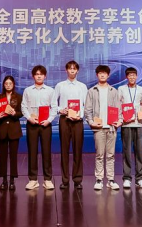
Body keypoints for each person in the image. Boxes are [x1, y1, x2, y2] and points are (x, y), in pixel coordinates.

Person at [85, 65, 121, 191]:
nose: (102, 75)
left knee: (111, 155)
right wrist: (91, 122)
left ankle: (110, 179)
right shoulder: (92, 91)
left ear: (108, 75)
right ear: (97, 75)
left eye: (104, 73)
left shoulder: (113, 91)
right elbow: (87, 110)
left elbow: (119, 109)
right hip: (99, 128)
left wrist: (119, 121)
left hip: (111, 127)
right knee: (99, 155)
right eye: (100, 73)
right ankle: (99, 179)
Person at [21, 64, 57, 190]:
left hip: (46, 125)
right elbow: (23, 107)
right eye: (37, 74)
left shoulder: (50, 91)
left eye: (41, 74)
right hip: (32, 124)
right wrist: (29, 118)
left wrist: (48, 120)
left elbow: (54, 107)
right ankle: (33, 179)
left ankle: (47, 179)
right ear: (33, 76)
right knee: (32, 152)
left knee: (46, 152)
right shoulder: (27, 90)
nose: (39, 76)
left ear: (45, 76)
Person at [54, 60, 88, 190]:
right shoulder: (60, 85)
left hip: (78, 121)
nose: (72, 70)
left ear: (77, 71)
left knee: (77, 150)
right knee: (64, 150)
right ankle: (65, 180)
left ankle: (77, 179)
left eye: (74, 68)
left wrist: (81, 115)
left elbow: (86, 104)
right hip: (64, 120)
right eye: (70, 68)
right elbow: (53, 103)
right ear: (66, 70)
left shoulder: (82, 86)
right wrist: (60, 110)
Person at [119, 67, 142, 189]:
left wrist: (141, 115)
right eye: (129, 75)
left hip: (138, 124)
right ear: (126, 77)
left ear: (137, 76)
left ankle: (140, 178)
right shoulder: (121, 89)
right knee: (127, 151)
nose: (132, 77)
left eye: (133, 75)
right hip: (126, 124)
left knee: (139, 151)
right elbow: (119, 105)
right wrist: (122, 118)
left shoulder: (141, 89)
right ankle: (127, 178)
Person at [0, 75, 22, 191]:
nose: (8, 85)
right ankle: (4, 180)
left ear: (13, 84)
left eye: (10, 83)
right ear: (4, 85)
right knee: (3, 156)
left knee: (13, 156)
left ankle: (12, 180)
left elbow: (21, 113)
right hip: (2, 130)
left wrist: (14, 113)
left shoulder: (18, 97)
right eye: (6, 84)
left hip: (14, 129)